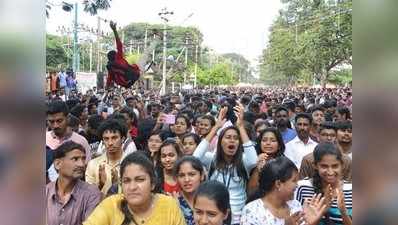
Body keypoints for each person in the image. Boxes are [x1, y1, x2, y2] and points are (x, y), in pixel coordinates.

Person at [193, 103, 258, 224]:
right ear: (220, 142)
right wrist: (216, 126)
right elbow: (196, 157)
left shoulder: (244, 161)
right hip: (214, 218)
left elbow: (254, 160)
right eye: (228, 137)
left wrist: (240, 126)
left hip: (238, 219)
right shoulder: (212, 159)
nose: (232, 140)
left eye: (236, 138)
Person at [83, 151, 186, 225]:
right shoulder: (111, 205)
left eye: (140, 180)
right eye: (126, 181)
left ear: (153, 183)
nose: (132, 187)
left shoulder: (169, 206)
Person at [241, 156, 327, 225]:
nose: (297, 185)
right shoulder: (252, 211)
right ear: (278, 184)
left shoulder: (295, 206)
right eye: (294, 181)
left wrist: (312, 223)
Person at [295, 143, 352, 225]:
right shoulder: (303, 187)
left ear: (342, 165)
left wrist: (343, 212)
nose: (330, 172)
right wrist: (321, 212)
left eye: (335, 166)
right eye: (324, 166)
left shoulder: (350, 190)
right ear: (315, 165)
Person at [46, 141, 102, 225]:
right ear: (58, 164)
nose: (81, 164)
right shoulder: (45, 192)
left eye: (83, 159)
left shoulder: (92, 194)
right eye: (75, 159)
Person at [46, 100, 92, 182]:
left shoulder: (80, 141)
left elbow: (87, 170)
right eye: (51, 122)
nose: (55, 125)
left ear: (68, 119)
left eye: (59, 121)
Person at [105, 21, 159, 89]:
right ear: (115, 55)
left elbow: (109, 78)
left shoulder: (110, 68)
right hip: (134, 74)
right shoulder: (118, 58)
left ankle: (143, 73)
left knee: (139, 63)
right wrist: (115, 30)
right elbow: (119, 44)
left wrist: (106, 86)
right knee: (146, 53)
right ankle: (157, 38)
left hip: (126, 84)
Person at [85, 119, 128, 194]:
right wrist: (100, 185)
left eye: (114, 138)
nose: (110, 143)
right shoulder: (93, 165)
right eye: (106, 139)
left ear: (123, 139)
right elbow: (89, 198)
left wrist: (117, 185)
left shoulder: (131, 164)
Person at [247, 128, 285, 194]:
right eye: (264, 140)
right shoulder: (253, 160)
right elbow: (251, 191)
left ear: (279, 145)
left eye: (273, 141)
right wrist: (257, 168)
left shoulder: (284, 163)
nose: (268, 143)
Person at [174, 156, 206, 225]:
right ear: (177, 178)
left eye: (191, 174)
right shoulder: (173, 201)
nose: (187, 180)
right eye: (182, 175)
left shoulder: (211, 198)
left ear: (202, 175)